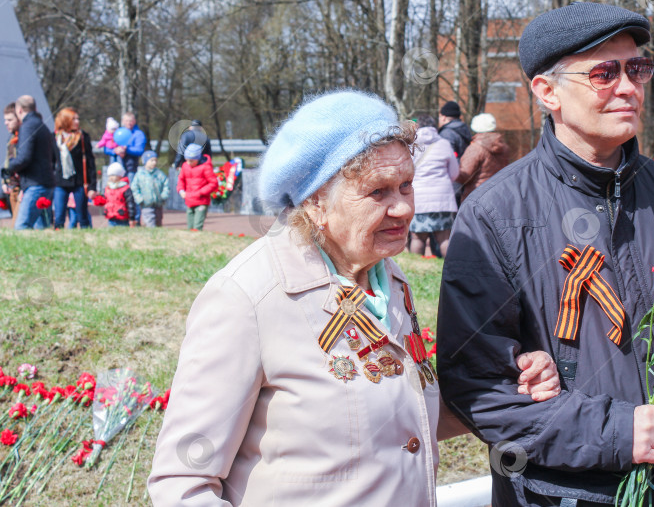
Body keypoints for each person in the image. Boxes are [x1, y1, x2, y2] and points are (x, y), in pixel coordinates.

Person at [148, 91, 561, 506]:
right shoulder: (247, 299)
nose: (402, 208)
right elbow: (181, 484)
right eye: (378, 193)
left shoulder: (388, 279)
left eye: (406, 185)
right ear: (314, 204)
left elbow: (397, 419)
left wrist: (511, 384)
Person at [437, 2, 654, 507]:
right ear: (547, 91)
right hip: (566, 494)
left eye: (637, 69)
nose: (628, 87)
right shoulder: (494, 215)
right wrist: (615, 432)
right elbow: (476, 389)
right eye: (604, 72)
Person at [409, 114, 459, 258]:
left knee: (418, 238)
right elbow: (454, 172)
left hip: (419, 198)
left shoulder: (411, 145)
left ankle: (416, 269)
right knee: (444, 238)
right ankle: (448, 269)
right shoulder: (444, 143)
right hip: (443, 199)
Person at [7, 95, 55, 230]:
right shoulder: (41, 125)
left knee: (22, 226)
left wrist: (8, 168)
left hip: (35, 184)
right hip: (45, 182)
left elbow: (24, 158)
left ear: (19, 110)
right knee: (42, 229)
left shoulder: (27, 126)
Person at [51, 107, 97, 229]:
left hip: (79, 182)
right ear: (65, 120)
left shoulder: (82, 137)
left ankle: (87, 238)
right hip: (60, 182)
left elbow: (90, 163)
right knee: (59, 216)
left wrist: (92, 186)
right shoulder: (55, 138)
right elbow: (50, 162)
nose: (77, 121)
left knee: (82, 216)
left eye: (78, 119)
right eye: (73, 119)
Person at [456, 112, 512, 203]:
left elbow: (465, 177)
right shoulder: (504, 147)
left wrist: (451, 170)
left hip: (476, 196)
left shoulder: (475, 148)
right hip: (499, 195)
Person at [177, 143, 217, 230]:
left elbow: (213, 183)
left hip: (201, 201)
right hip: (189, 200)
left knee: (197, 226)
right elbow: (181, 180)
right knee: (190, 227)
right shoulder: (185, 166)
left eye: (191, 160)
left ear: (197, 159)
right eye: (187, 160)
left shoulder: (206, 167)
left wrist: (200, 192)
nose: (188, 162)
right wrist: (181, 190)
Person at [131, 150, 169, 227]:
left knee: (158, 223)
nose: (154, 162)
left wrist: (164, 196)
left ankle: (158, 237)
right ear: (145, 161)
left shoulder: (159, 174)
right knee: (150, 223)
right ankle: (151, 235)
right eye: (151, 160)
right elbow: (134, 187)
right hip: (146, 204)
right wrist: (139, 199)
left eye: (155, 160)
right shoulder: (140, 174)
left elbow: (166, 185)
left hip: (158, 204)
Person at [2, 103, 22, 227]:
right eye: (5, 120)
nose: (6, 123)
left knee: (19, 225)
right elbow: (7, 161)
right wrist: (5, 181)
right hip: (12, 188)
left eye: (10, 120)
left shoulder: (25, 137)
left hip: (23, 188)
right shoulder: (11, 139)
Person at [103, 162, 136, 228]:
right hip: (111, 218)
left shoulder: (125, 188)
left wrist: (132, 217)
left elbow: (130, 203)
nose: (111, 177)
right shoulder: (108, 188)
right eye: (110, 175)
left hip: (122, 218)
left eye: (114, 175)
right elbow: (104, 200)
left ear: (120, 175)